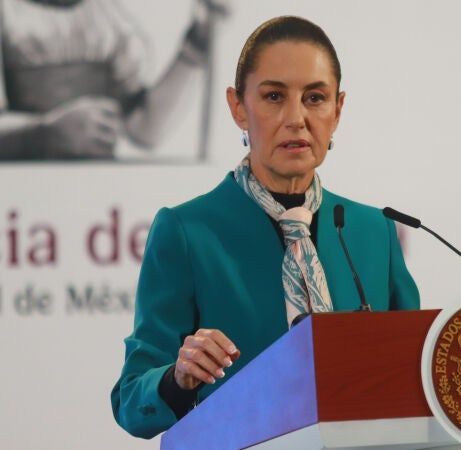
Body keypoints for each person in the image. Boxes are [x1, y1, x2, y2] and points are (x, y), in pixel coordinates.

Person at [111, 15, 419, 439]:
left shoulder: (373, 231)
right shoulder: (186, 231)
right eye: (274, 96)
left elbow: (416, 376)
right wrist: (176, 378)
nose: (296, 118)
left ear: (338, 109)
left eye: (315, 98)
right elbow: (131, 402)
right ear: (238, 107)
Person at [0, 0, 226, 160]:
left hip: (94, 199)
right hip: (21, 197)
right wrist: (45, 133)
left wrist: (196, 45)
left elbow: (144, 130)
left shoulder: (108, 21)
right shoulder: (8, 14)